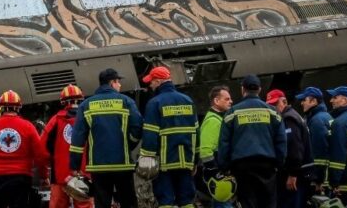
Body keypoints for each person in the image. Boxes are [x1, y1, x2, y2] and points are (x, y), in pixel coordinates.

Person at [69, 68, 143, 208]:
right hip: (123, 164)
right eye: (118, 82)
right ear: (112, 82)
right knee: (128, 201)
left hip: (98, 166)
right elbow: (138, 128)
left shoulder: (86, 105)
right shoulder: (126, 102)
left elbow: (77, 139)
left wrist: (75, 165)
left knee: (102, 203)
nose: (120, 85)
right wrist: (129, 144)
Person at [217, 74, 286, 208]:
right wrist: (279, 164)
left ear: (243, 89)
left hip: (242, 168)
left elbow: (224, 143)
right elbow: (281, 141)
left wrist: (225, 167)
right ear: (259, 89)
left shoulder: (232, 113)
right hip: (267, 167)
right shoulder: (273, 113)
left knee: (247, 203)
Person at [0, 90, 49, 208]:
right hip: (21, 177)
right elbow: (40, 154)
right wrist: (44, 176)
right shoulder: (28, 126)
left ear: (1, 108)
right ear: (18, 108)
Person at [139, 66, 198, 208]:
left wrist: (146, 160)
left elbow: (150, 135)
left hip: (163, 163)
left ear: (158, 81)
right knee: (187, 200)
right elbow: (196, 133)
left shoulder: (154, 103)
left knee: (165, 200)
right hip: (185, 161)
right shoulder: (187, 100)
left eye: (151, 82)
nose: (150, 85)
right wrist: (195, 160)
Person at [41, 85, 92, 208]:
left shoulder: (55, 121)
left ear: (63, 101)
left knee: (58, 205)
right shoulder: (88, 118)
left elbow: (43, 148)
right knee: (84, 204)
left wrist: (47, 168)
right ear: (81, 99)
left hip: (59, 175)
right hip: (84, 174)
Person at [266, 89, 312, 208]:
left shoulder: (288, 119)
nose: (273, 108)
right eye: (270, 105)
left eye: (275, 104)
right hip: (298, 172)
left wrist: (292, 174)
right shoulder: (294, 115)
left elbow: (294, 148)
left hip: (293, 175)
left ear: (284, 102)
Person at [197, 85, 233, 208]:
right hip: (217, 175)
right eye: (227, 99)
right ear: (216, 101)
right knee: (222, 202)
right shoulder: (212, 120)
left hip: (218, 173)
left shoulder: (218, 118)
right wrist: (215, 171)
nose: (231, 101)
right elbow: (205, 150)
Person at [295, 86, 333, 197]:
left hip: (320, 180)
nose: (302, 103)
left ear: (314, 101)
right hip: (327, 175)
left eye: (304, 100)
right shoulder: (326, 116)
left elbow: (319, 152)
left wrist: (317, 180)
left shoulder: (316, 121)